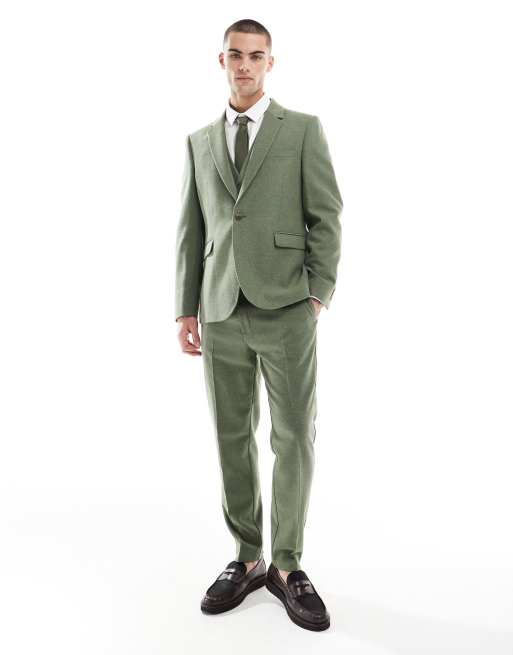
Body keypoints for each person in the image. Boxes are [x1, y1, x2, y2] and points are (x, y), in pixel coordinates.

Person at [174, 18, 343, 632]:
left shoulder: (301, 129)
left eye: (256, 56)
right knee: (231, 436)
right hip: (220, 309)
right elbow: (191, 228)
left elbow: (327, 214)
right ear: (220, 61)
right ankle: (247, 558)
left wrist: (317, 294)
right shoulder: (199, 141)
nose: (244, 65)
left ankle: (288, 564)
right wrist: (185, 307)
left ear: (271, 62)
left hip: (287, 308)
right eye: (235, 55)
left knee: (294, 436)